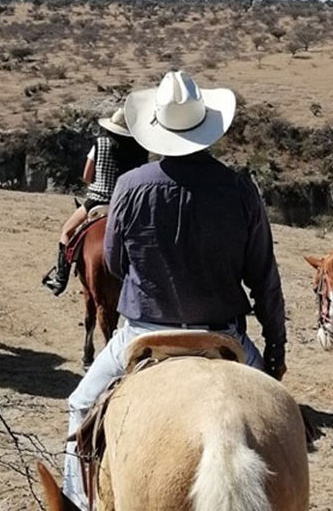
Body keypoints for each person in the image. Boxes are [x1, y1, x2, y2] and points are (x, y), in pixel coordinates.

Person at [60, 71, 288, 509]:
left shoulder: (129, 186)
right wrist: (275, 348)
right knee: (280, 420)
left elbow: (115, 262)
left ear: (157, 129)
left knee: (80, 404)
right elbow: (265, 277)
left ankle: (78, 500)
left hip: (144, 332)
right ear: (208, 130)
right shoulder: (241, 189)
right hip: (225, 334)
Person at [41, 106, 148, 296]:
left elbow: (87, 176)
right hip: (128, 205)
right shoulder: (139, 148)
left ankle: (60, 278)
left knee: (66, 231)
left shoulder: (100, 144)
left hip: (97, 201)